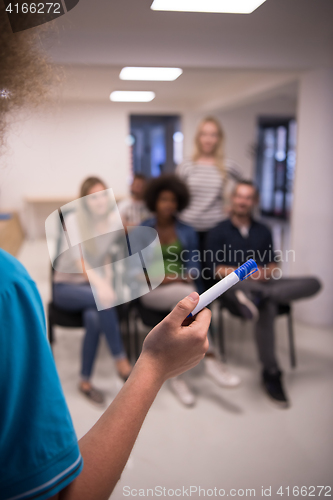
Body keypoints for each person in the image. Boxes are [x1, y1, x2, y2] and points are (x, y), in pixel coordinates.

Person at [0, 8, 212, 500]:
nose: (101, 206)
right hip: (73, 297)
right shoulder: (25, 273)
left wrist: (139, 266)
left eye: (106, 199)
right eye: (93, 199)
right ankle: (115, 366)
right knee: (100, 312)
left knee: (105, 311)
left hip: (97, 295)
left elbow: (122, 277)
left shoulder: (112, 233)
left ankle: (102, 371)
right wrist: (153, 365)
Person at [205, 180, 321, 408]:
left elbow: (274, 264)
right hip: (233, 288)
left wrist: (265, 272)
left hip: (264, 285)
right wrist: (243, 274)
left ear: (254, 201)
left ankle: (260, 297)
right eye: (239, 196)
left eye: (248, 197)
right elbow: (214, 268)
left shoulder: (263, 230)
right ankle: (271, 371)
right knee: (261, 301)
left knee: (313, 282)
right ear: (233, 199)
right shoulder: (218, 231)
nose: (243, 201)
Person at [140, 175, 240, 407]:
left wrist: (186, 277)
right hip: (152, 292)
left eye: (173, 200)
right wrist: (165, 279)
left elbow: (193, 267)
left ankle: (177, 377)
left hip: (183, 289)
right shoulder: (143, 229)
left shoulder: (186, 230)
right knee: (188, 302)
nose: (168, 205)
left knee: (185, 308)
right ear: (154, 201)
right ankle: (212, 360)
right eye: (163, 199)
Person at [52, 176, 133, 405]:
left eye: (102, 195)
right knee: (103, 300)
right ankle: (120, 360)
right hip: (66, 287)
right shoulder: (74, 220)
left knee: (94, 319)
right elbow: (80, 261)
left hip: (90, 288)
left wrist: (106, 278)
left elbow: (105, 255)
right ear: (85, 201)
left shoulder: (112, 222)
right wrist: (102, 286)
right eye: (93, 197)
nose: (99, 201)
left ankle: (84, 381)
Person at [176, 116, 241, 260]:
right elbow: (175, 194)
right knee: (192, 272)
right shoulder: (186, 165)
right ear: (198, 137)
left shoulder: (227, 165)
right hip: (187, 228)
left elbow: (245, 186)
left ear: (219, 138)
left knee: (212, 273)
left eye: (213, 135)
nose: (208, 139)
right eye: (204, 134)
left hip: (216, 228)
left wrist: (232, 206)